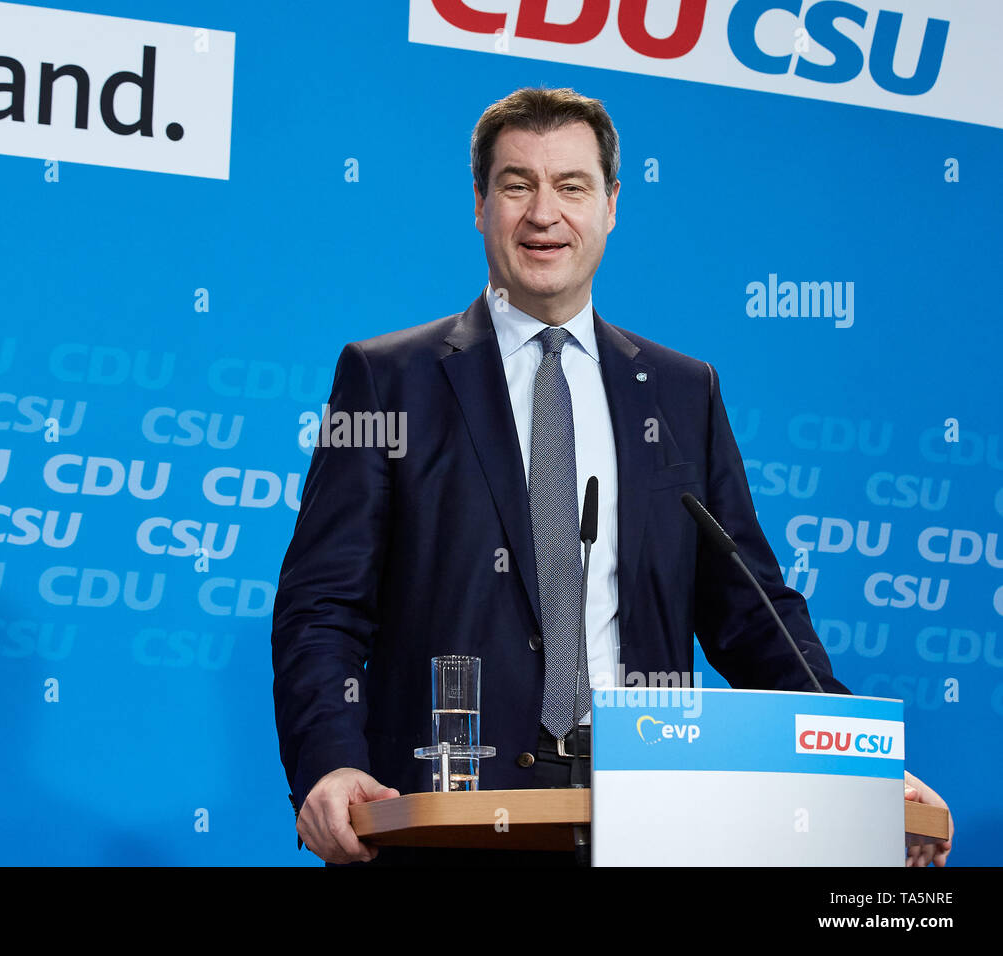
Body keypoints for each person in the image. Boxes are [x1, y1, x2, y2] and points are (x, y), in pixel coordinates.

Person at [271, 87, 952, 867]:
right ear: (480, 205)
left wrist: (855, 769)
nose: (543, 214)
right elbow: (321, 608)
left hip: (647, 813)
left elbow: (753, 612)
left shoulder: (681, 391)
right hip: (439, 818)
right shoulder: (389, 381)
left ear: (611, 204)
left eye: (571, 186)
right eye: (517, 184)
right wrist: (328, 761)